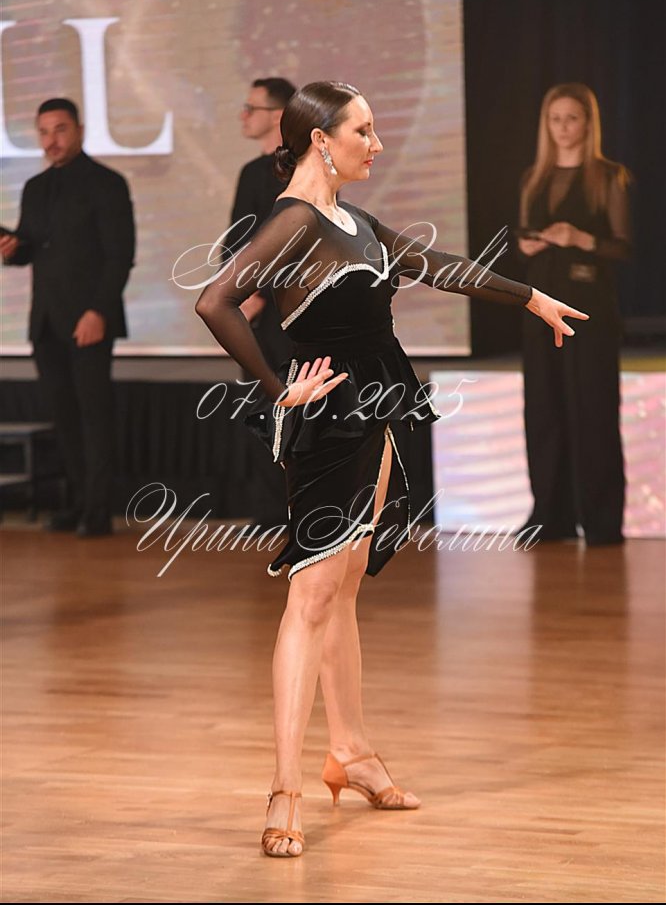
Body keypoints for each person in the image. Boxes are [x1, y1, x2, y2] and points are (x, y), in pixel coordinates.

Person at [195, 81, 587, 858]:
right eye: (364, 131)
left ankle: (352, 751)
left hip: (376, 408)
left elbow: (435, 264)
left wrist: (529, 295)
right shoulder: (295, 220)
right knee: (312, 595)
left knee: (342, 588)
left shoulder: (353, 220)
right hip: (330, 419)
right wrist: (276, 390)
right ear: (320, 139)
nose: (376, 144)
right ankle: (283, 789)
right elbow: (216, 301)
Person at [0, 98, 135, 537]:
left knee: (94, 416)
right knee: (65, 417)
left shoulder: (107, 183)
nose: (51, 140)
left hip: (89, 319)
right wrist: (12, 249)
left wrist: (98, 310)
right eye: (43, 132)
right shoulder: (35, 187)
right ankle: (77, 503)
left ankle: (97, 512)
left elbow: (120, 256)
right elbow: (32, 246)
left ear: (79, 130)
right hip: (45, 320)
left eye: (59, 130)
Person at [516, 82, 631, 546]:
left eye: (572, 119)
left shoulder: (608, 176)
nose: (563, 128)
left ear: (588, 123)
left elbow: (622, 247)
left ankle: (602, 521)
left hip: (588, 310)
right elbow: (522, 236)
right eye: (555, 119)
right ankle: (551, 515)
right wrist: (530, 244)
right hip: (540, 306)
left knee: (593, 409)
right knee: (543, 409)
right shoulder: (534, 177)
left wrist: (579, 238)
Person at [226, 77, 296, 527]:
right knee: (259, 408)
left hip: (287, 312)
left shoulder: (299, 171)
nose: (243, 115)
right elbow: (237, 240)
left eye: (251, 108)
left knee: (293, 407)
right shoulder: (251, 172)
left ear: (278, 116)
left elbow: (298, 240)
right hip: (250, 310)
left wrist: (259, 292)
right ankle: (269, 511)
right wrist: (233, 291)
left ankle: (302, 510)